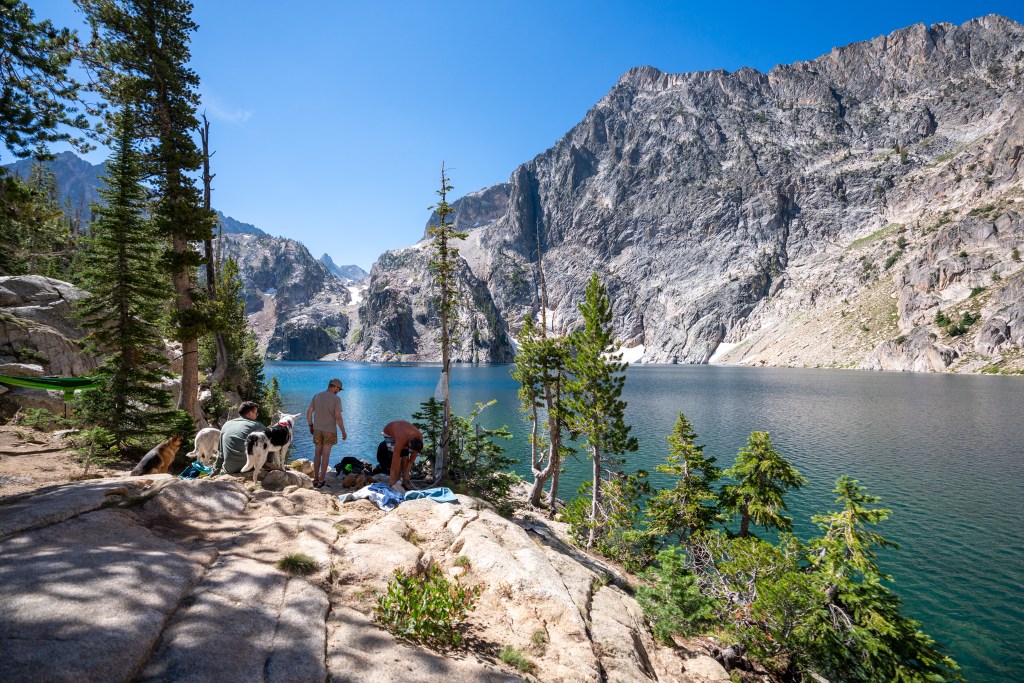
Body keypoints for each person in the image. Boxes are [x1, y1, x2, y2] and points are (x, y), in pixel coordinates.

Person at [307, 378, 347, 488]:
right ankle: (321, 481)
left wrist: (311, 425)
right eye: (339, 389)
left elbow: (309, 412)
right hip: (330, 431)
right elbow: (338, 417)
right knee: (325, 455)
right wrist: (343, 431)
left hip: (317, 429)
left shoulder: (317, 396)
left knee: (317, 454)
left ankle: (315, 479)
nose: (338, 391)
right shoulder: (336, 399)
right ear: (335, 387)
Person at [215, 401, 265, 475]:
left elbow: (221, 453)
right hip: (248, 467)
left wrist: (215, 469)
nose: (256, 416)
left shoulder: (227, 424)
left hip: (229, 468)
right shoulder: (257, 425)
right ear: (250, 414)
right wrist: (269, 462)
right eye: (256, 413)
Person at [382, 420, 424, 489]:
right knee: (399, 459)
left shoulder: (419, 438)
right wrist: (391, 480)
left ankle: (405, 480)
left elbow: (412, 458)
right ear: (410, 444)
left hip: (402, 431)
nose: (412, 451)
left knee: (405, 456)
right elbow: (394, 460)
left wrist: (406, 474)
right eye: (411, 449)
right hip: (389, 432)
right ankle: (397, 480)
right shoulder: (401, 440)